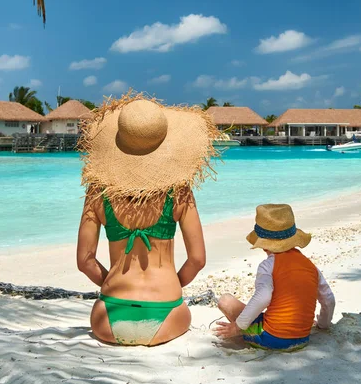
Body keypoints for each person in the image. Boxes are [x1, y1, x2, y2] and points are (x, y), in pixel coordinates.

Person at [76, 93, 218, 346]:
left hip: (108, 316)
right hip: (167, 311)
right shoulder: (178, 191)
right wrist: (173, 283)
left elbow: (85, 262)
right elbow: (197, 259)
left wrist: (111, 282)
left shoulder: (97, 192)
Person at [214, 203, 335, 351]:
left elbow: (263, 297)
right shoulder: (310, 266)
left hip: (272, 338)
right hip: (303, 338)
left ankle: (245, 335)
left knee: (226, 301)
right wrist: (323, 324)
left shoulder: (267, 266)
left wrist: (237, 327)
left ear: (263, 244)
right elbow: (328, 299)